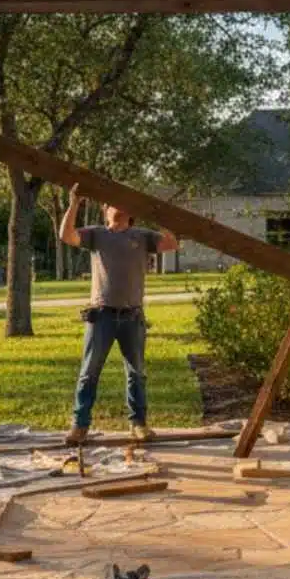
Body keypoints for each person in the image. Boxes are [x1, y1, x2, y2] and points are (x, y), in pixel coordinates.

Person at [59, 183, 178, 444]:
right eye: (113, 202)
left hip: (132, 317)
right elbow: (66, 236)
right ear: (105, 209)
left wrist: (158, 216)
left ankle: (138, 424)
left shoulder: (143, 235)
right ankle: (79, 426)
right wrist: (74, 203)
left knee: (137, 372)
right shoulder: (96, 234)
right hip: (101, 316)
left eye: (125, 203)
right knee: (89, 372)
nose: (119, 206)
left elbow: (171, 243)